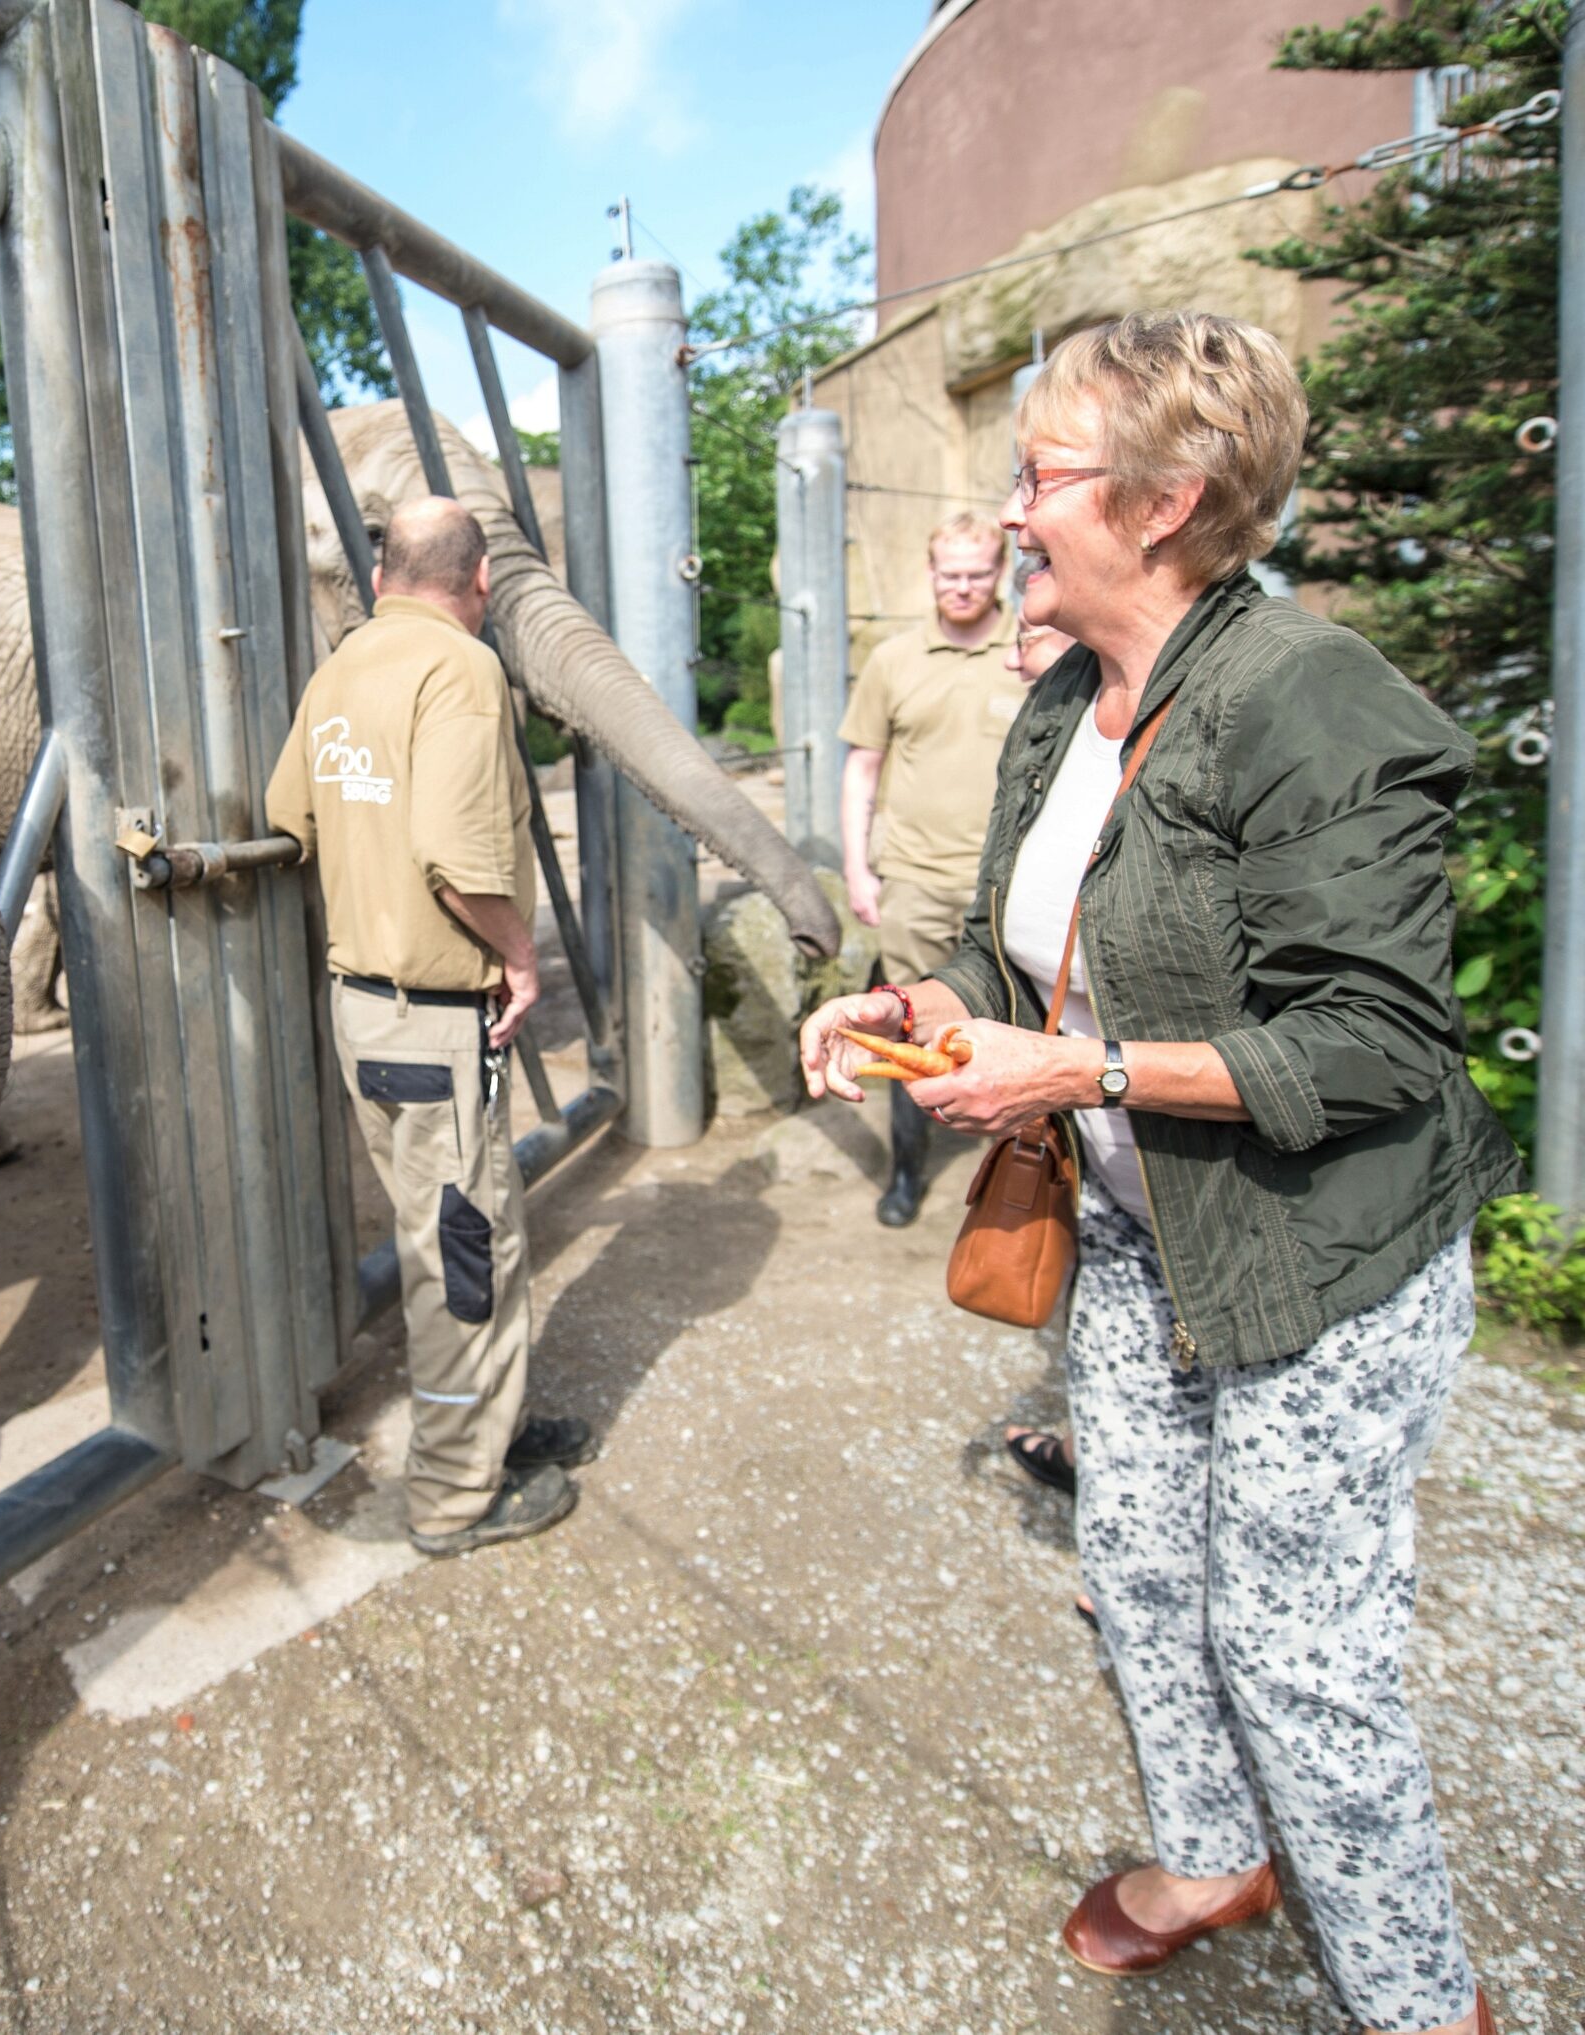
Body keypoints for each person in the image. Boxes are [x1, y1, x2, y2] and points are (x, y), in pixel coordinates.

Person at [798, 312, 1517, 2035]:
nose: (1011, 511)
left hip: (1310, 1265)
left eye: (1039, 476)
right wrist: (926, 1008)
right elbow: (1008, 947)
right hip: (1135, 1237)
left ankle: (1426, 2007)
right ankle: (1211, 1861)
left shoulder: (1318, 704)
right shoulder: (1063, 694)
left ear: (1165, 499)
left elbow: (1371, 1049)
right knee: (1136, 1572)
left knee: (1299, 1663)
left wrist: (1080, 1072)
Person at [266, 496, 592, 1558]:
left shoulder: (341, 668)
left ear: (382, 575)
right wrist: (515, 954)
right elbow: (458, 855)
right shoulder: (460, 669)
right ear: (481, 580)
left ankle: (490, 1432)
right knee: (464, 1261)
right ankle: (456, 1495)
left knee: (448, 1240)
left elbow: (289, 817)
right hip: (438, 1025)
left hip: (362, 1013)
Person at [837, 510, 1026, 1226]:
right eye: (951, 574)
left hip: (1008, 883)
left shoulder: (1035, 649)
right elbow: (864, 767)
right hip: (915, 879)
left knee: (1022, 1027)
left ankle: (1023, 1173)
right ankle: (907, 1173)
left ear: (1001, 572)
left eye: (979, 573)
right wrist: (860, 868)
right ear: (931, 573)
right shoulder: (894, 659)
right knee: (910, 1035)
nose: (964, 587)